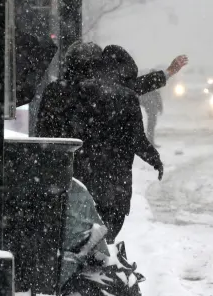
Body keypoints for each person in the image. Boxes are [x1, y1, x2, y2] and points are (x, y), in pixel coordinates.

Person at [37, 42, 164, 242]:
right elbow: (136, 139)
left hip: (67, 186)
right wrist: (154, 159)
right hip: (112, 188)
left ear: (70, 63)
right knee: (103, 242)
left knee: (68, 245)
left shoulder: (55, 93)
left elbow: (43, 138)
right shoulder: (124, 96)